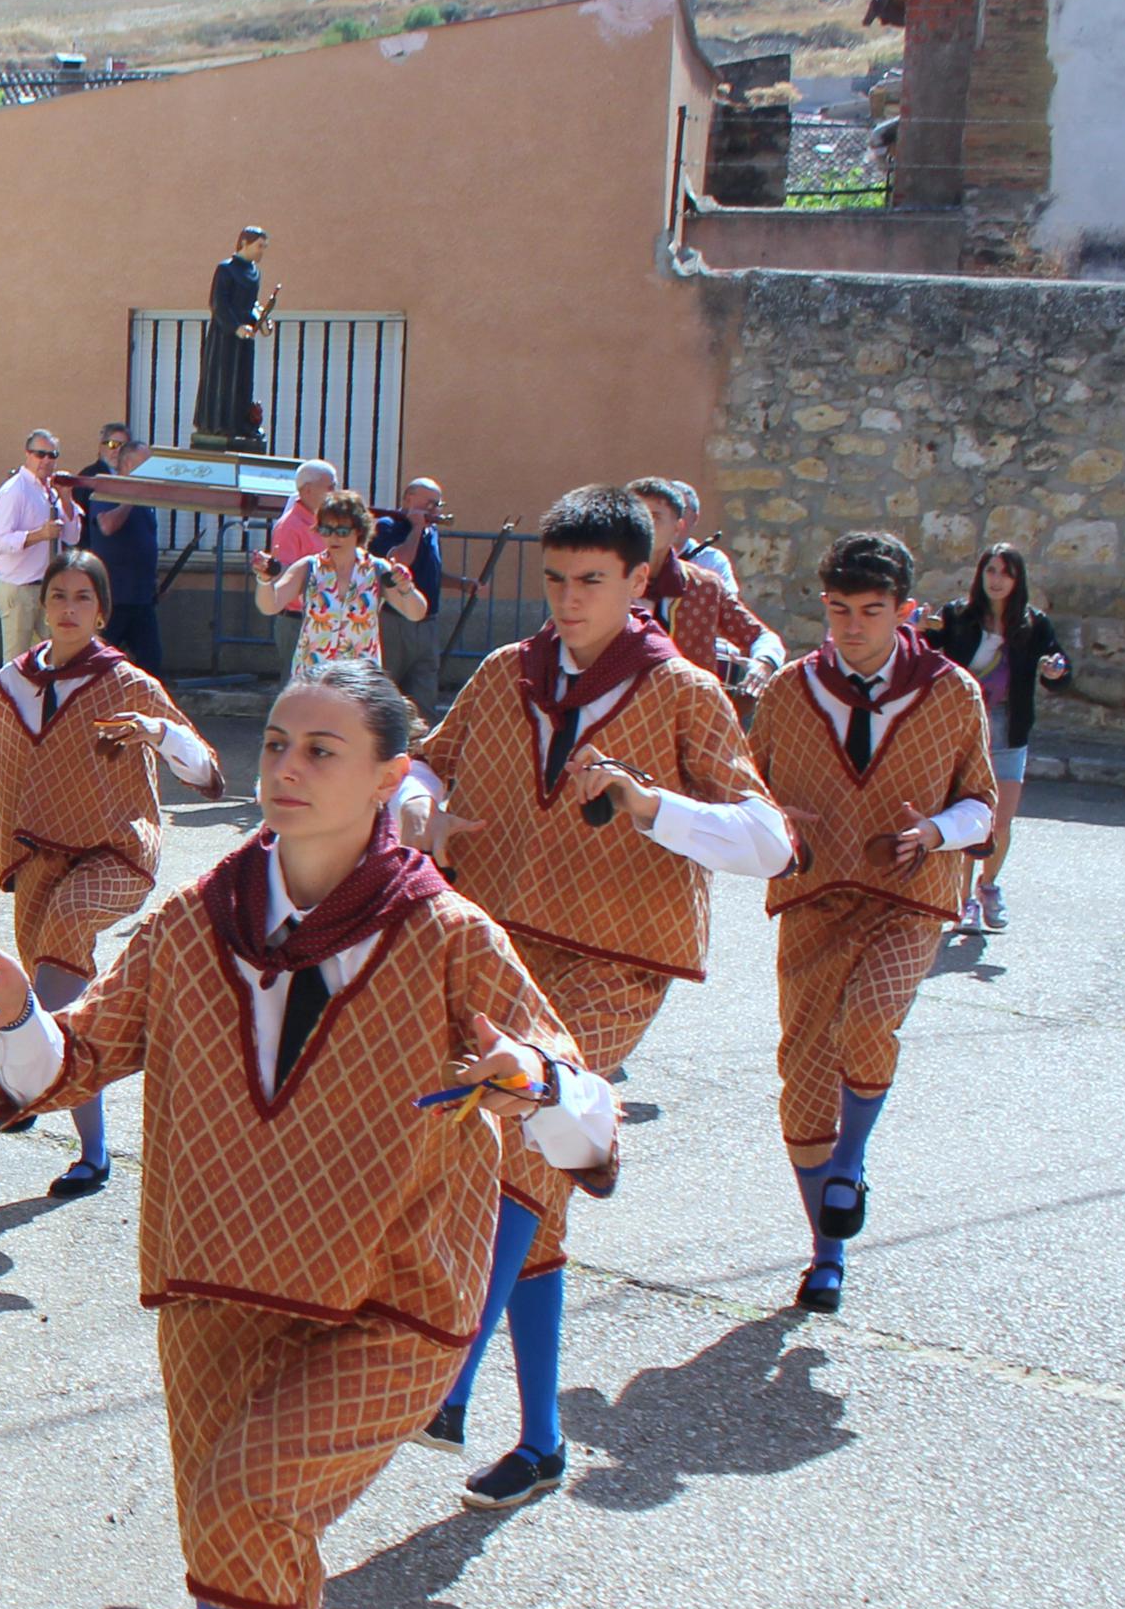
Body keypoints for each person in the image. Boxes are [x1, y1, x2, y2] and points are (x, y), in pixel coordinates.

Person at [0, 657, 615, 1609]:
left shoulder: (447, 937)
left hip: (391, 1302)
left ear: (387, 780)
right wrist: (21, 1016)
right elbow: (81, 1056)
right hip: (214, 1289)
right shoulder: (199, 914)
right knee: (245, 1559)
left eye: (321, 749)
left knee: (250, 1501)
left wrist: (537, 1083)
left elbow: (584, 1115)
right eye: (278, 743)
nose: (287, 766)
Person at [405, 484, 792, 1511]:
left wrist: (651, 804)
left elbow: (768, 840)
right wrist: (423, 816)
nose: (568, 599)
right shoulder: (502, 675)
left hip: (618, 963)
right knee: (537, 1182)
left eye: (590, 581)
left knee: (523, 1128)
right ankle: (538, 1442)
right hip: (496, 953)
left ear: (636, 581)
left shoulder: (683, 695)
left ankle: (447, 1375)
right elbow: (422, 770)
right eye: (556, 579)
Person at [745, 534, 998, 1313]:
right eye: (837, 610)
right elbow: (742, 788)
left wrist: (933, 833)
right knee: (802, 1075)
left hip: (908, 891)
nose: (850, 626)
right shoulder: (790, 692)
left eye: (870, 611)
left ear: (905, 611)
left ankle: (849, 1162)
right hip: (815, 894)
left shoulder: (951, 692)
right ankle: (825, 1252)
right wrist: (765, 811)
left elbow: (981, 804)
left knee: (869, 1017)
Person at [0, 550, 222, 1198]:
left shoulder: (126, 682)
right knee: (54, 995)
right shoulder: (10, 682)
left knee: (64, 936)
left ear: (101, 609)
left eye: (82, 598)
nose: (68, 608)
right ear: (41, 605)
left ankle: (17, 1080)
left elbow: (208, 773)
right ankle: (91, 1152)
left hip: (115, 852)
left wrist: (154, 732)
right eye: (58, 595)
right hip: (38, 861)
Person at [929, 544, 1069, 929]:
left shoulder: (1034, 625)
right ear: (981, 574)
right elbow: (927, 654)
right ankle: (962, 903)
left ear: (1017, 580)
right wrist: (919, 629)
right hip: (961, 727)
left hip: (1010, 728)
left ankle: (988, 886)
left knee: (1000, 820)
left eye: (1005, 573)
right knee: (963, 816)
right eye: (991, 570)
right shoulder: (958, 616)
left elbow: (1059, 668)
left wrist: (1055, 671)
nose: (997, 580)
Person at [254, 486, 429, 676]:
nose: (333, 537)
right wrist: (264, 580)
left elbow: (416, 613)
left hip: (359, 681)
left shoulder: (377, 569)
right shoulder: (308, 567)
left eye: (342, 531)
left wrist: (406, 588)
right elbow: (270, 606)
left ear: (359, 531)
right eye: (326, 530)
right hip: (314, 678)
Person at [636, 478, 781, 700]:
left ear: (677, 528)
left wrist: (763, 664)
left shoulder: (705, 587)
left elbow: (761, 636)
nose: (643, 526)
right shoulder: (601, 582)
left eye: (655, 517)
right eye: (636, 516)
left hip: (690, 714)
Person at [75, 420, 169, 671]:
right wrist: (131, 499)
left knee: (151, 665)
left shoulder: (147, 497)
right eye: (144, 464)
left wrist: (154, 577)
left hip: (141, 598)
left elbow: (146, 538)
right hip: (113, 598)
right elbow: (106, 526)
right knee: (100, 665)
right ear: (128, 465)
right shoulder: (109, 487)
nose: (150, 470)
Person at [0, 430, 81, 662]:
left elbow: (73, 536)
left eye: (53, 455)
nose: (47, 461)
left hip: (47, 589)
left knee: (57, 656)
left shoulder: (50, 492)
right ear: (27, 454)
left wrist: (67, 498)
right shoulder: (15, 491)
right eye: (41, 454)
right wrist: (40, 535)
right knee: (16, 662)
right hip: (19, 588)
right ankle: (11, 699)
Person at [370, 476, 448, 707]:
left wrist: (464, 584)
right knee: (386, 691)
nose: (433, 510)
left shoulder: (430, 531)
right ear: (408, 498)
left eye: (437, 504)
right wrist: (415, 528)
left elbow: (430, 572)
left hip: (428, 623)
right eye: (429, 503)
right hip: (395, 620)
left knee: (424, 697)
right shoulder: (387, 526)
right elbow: (399, 562)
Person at [193, 225, 270, 450]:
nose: (261, 251)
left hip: (245, 337)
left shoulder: (255, 272)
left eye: (264, 247)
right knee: (223, 379)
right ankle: (218, 423)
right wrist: (235, 327)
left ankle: (240, 423)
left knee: (243, 380)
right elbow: (218, 304)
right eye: (259, 246)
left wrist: (262, 321)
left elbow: (253, 304)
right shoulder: (226, 269)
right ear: (244, 243)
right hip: (225, 337)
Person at [264, 457, 338, 576]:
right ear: (308, 489)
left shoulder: (328, 521)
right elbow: (284, 576)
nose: (335, 493)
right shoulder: (289, 527)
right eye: (330, 488)